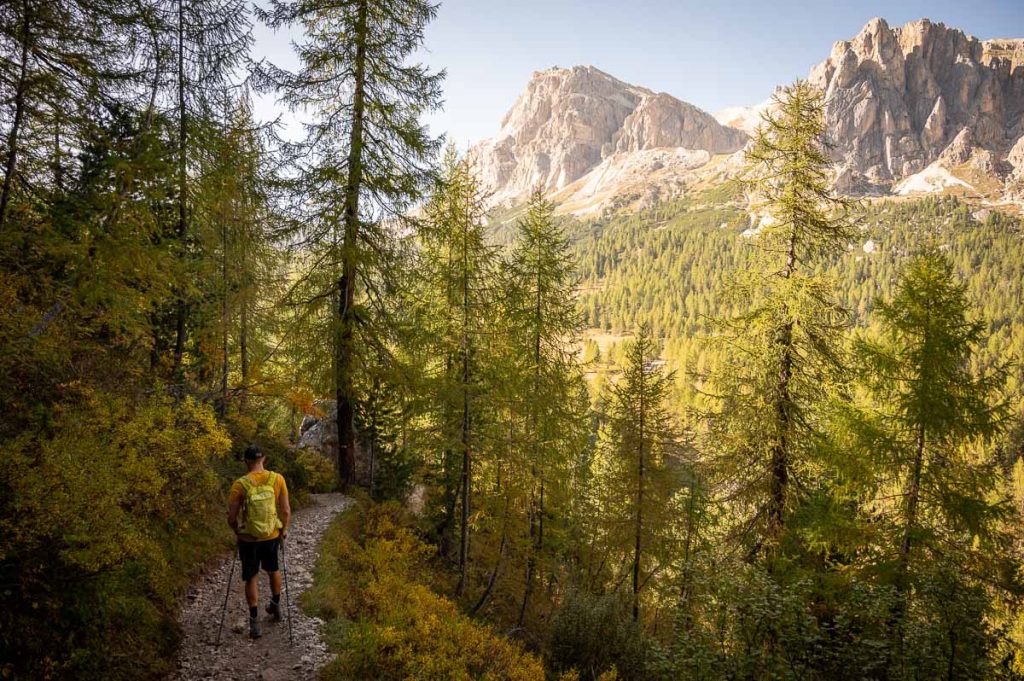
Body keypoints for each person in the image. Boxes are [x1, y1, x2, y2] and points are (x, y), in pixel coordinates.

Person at [227, 443, 291, 639]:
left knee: (251, 577)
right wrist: (284, 530)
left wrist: (237, 530)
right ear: (263, 459)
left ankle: (254, 623)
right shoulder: (277, 479)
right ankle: (276, 606)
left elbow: (231, 517)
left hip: (249, 539)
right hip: (271, 535)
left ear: (246, 461)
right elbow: (286, 510)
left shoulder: (240, 484)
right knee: (273, 570)